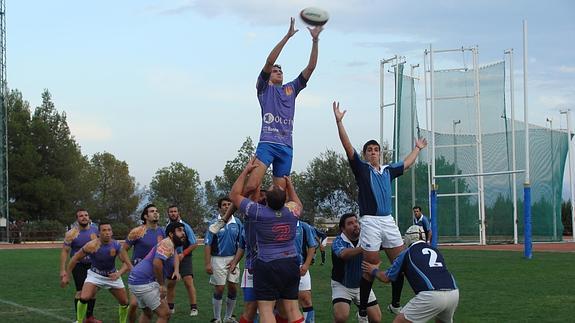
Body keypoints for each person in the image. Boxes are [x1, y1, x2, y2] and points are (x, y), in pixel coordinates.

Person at [210, 17, 324, 234]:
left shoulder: (291, 89)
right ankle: (224, 220)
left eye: (281, 70)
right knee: (251, 186)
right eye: (275, 70)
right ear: (269, 76)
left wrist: (315, 41)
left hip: (286, 148)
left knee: (279, 196)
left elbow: (311, 67)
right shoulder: (263, 89)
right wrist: (287, 37)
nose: (278, 71)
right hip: (268, 143)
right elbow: (269, 61)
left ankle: (279, 228)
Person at [332, 101, 428, 321]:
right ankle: (363, 310)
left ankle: (395, 304)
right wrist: (339, 122)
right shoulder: (361, 169)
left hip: (388, 220)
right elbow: (347, 146)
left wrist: (418, 148)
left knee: (402, 262)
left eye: (376, 150)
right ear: (365, 154)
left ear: (380, 153)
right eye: (369, 150)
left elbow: (407, 163)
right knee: (371, 266)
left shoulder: (388, 170)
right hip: (370, 221)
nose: (373, 153)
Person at [230, 158, 305, 323]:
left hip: (267, 264)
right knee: (293, 309)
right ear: (285, 200)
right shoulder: (292, 211)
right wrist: (289, 184)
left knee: (265, 310)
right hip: (291, 262)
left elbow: (234, 195)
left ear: (267, 201)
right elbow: (297, 202)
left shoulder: (258, 212)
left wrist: (246, 170)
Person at [362, 225, 459, 323]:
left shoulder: (406, 253)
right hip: (453, 293)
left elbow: (386, 278)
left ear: (408, 238)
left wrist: (373, 270)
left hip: (431, 295)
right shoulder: (435, 250)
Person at [63, 222, 132, 323]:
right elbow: (75, 259)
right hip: (95, 275)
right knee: (84, 297)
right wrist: (67, 275)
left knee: (124, 302)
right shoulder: (91, 245)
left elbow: (126, 263)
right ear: (99, 233)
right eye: (104, 230)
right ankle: (79, 320)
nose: (107, 232)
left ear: (112, 232)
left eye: (109, 230)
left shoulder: (116, 245)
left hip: (111, 276)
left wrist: (119, 273)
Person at [127, 221, 186, 323]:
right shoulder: (167, 243)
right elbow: (157, 263)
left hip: (135, 280)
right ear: (171, 234)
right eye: (179, 230)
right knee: (165, 314)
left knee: (147, 313)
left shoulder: (171, 244)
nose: (183, 233)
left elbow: (175, 253)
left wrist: (176, 270)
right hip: (144, 282)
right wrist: (162, 285)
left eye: (183, 230)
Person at [331, 213, 381, 323]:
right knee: (341, 317)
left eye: (356, 222)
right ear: (343, 229)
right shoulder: (338, 241)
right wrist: (365, 247)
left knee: (376, 319)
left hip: (362, 285)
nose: (355, 225)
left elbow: (377, 259)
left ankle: (361, 314)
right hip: (342, 285)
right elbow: (343, 254)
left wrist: (375, 266)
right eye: (350, 223)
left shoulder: (366, 237)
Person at [122, 204, 165, 323]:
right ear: (145, 216)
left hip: (155, 274)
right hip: (139, 276)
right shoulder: (138, 231)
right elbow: (123, 250)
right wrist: (130, 267)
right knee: (134, 304)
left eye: (157, 211)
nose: (155, 213)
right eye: (152, 211)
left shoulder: (162, 231)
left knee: (151, 310)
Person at [204, 197, 244, 323]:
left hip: (233, 259)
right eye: (224, 205)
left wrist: (235, 261)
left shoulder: (237, 222)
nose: (227, 206)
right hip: (217, 259)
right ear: (219, 208)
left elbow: (241, 244)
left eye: (229, 204)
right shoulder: (213, 223)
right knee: (220, 288)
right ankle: (217, 318)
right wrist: (207, 264)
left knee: (233, 288)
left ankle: (228, 317)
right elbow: (207, 244)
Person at [59, 208, 101, 323]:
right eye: (81, 216)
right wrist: (63, 270)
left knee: (92, 291)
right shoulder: (71, 233)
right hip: (78, 265)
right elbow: (65, 251)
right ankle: (79, 319)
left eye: (86, 215)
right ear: (77, 219)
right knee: (81, 291)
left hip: (93, 265)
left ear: (89, 217)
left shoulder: (96, 231)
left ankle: (89, 317)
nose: (84, 217)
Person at [166, 205, 199, 316]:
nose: (173, 213)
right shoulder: (167, 227)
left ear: (178, 213)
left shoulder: (185, 226)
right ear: (168, 214)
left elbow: (195, 243)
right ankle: (170, 307)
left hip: (185, 257)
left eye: (175, 211)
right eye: (171, 212)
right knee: (171, 283)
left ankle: (194, 308)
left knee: (188, 281)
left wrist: (183, 254)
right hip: (171, 258)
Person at [295, 220, 318, 323]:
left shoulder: (304, 226)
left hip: (300, 268)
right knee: (280, 303)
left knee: (306, 299)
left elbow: (312, 245)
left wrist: (306, 265)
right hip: (282, 268)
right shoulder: (279, 223)